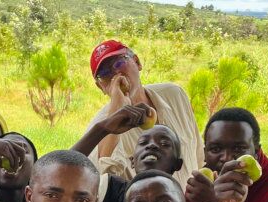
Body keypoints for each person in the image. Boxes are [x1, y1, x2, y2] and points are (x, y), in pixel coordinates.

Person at [85, 39, 203, 190]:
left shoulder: (175, 95)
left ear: (137, 62)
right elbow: (103, 181)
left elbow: (199, 156)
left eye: (119, 63)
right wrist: (116, 109)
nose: (116, 75)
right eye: (105, 74)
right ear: (100, 87)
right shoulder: (100, 126)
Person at [73, 104, 183, 202]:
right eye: (143, 143)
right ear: (132, 160)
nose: (152, 146)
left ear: (177, 164)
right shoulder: (108, 188)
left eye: (164, 143)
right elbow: (59, 173)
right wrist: (103, 128)